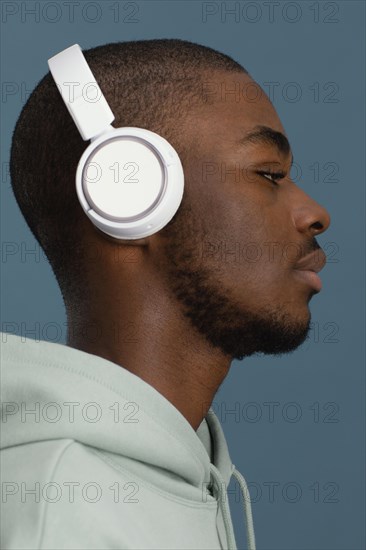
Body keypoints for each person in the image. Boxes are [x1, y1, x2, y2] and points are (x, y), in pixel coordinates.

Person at [1, 39, 331, 550]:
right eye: (269, 174)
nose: (316, 213)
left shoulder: (175, 478)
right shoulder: (64, 513)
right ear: (128, 194)